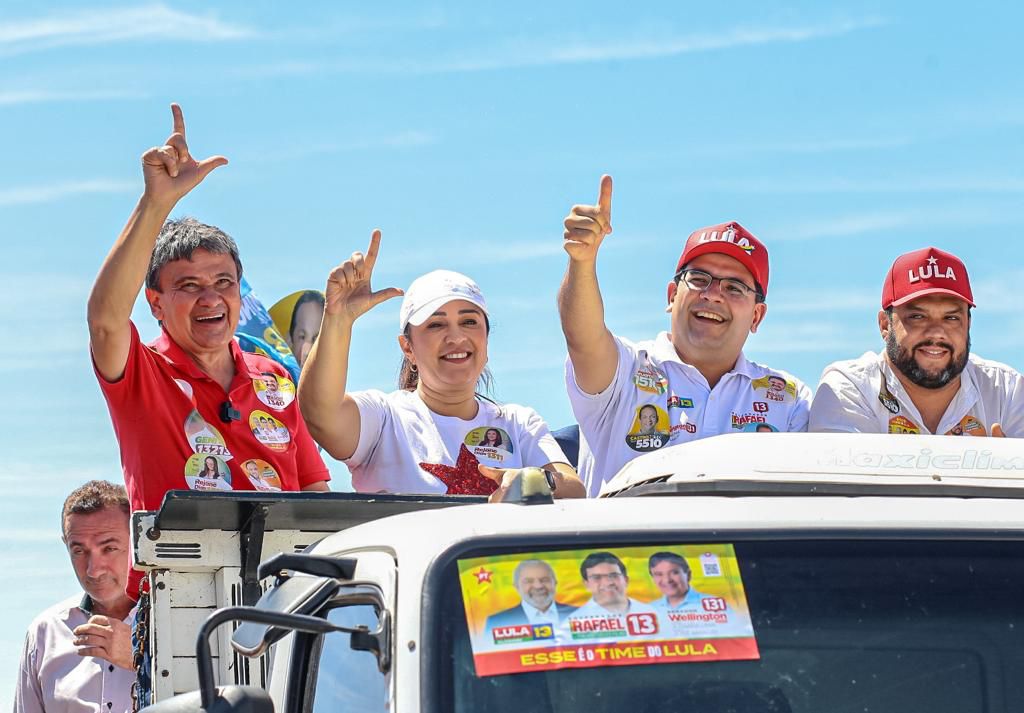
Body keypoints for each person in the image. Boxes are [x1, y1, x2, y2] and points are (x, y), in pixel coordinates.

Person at [87, 104, 330, 599]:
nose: (211, 298)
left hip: (288, 599)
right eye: (189, 286)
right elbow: (105, 320)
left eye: (224, 283)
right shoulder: (142, 373)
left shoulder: (276, 378)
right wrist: (155, 204)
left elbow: (315, 495)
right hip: (180, 598)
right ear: (155, 302)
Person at [559, 175, 812, 495]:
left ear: (757, 316)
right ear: (671, 296)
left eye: (734, 287)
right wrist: (581, 261)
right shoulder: (624, 371)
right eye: (699, 278)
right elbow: (582, 338)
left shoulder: (789, 399)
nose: (713, 295)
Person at [298, 233, 585, 498]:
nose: (457, 337)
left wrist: (533, 481)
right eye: (436, 325)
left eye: (469, 321)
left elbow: (573, 489)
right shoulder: (385, 418)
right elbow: (320, 414)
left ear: (486, 340)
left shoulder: (518, 422)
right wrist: (338, 318)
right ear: (407, 347)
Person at [810, 247, 1023, 436]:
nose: (937, 333)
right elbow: (847, 480)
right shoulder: (850, 387)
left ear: (968, 324)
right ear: (885, 325)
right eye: (917, 317)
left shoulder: (1007, 390)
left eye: (951, 318)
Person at [15, 482, 135, 713]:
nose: (93, 570)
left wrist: (142, 658)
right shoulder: (44, 632)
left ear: (136, 541)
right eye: (79, 551)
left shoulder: (180, 621)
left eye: (109, 548)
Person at [484, 560, 576, 631]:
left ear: (555, 583)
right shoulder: (497, 622)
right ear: (516, 587)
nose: (538, 586)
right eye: (528, 581)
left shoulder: (579, 614)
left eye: (544, 580)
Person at [567, 552, 655, 618]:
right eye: (597, 577)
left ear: (626, 580)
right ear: (586, 584)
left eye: (613, 575)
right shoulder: (574, 622)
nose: (608, 583)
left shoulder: (654, 613)